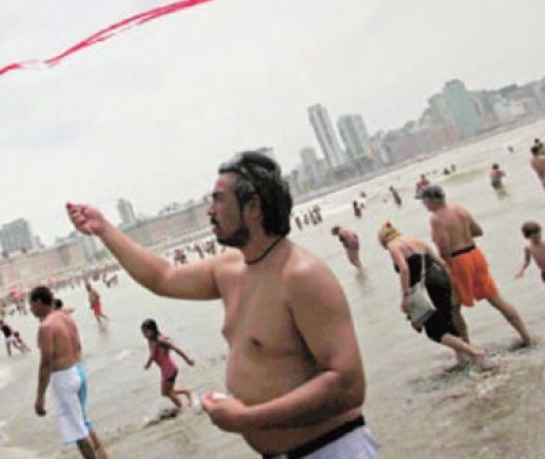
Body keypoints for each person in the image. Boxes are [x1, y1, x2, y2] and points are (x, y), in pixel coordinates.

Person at [66, 151, 375, 457]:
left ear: (253, 207)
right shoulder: (230, 269)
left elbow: (348, 385)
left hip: (331, 449)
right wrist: (103, 229)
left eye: (218, 199)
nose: (209, 210)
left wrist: (247, 418)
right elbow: (163, 277)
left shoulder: (302, 275)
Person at [420, 185, 532, 347]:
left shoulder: (436, 218)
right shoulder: (459, 209)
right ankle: (525, 336)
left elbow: (444, 249)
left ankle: (468, 348)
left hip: (458, 260)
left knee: (454, 308)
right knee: (496, 299)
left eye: (424, 200)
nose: (423, 204)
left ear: (433, 200)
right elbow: (478, 231)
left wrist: (446, 270)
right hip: (475, 255)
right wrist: (461, 234)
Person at [377, 222, 489, 369]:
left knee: (434, 330)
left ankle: (474, 352)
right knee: (447, 320)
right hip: (441, 280)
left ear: (383, 240)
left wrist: (405, 296)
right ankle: (462, 359)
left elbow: (404, 269)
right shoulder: (417, 241)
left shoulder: (393, 246)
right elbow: (442, 263)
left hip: (426, 288)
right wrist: (452, 284)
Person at [30, 286, 107, 459]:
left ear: (39, 302)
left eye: (31, 305)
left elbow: (46, 362)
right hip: (78, 370)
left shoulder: (46, 327)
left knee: (78, 431)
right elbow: (78, 345)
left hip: (64, 377)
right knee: (83, 421)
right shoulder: (65, 317)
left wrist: (40, 397)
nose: (30, 309)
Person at [140, 319, 195, 410]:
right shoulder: (150, 341)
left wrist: (188, 360)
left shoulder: (161, 340)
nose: (144, 335)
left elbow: (176, 349)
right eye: (143, 332)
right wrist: (148, 364)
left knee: (167, 392)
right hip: (165, 370)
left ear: (153, 330)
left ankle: (181, 407)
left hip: (170, 370)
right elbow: (152, 355)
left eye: (146, 332)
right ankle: (186, 392)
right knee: (165, 392)